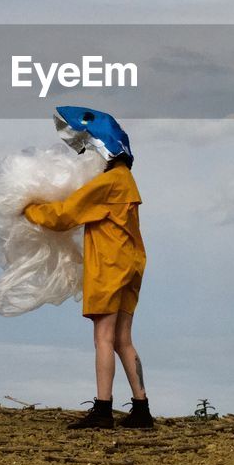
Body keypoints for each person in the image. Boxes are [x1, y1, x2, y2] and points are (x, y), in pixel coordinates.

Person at [22, 106, 154, 429]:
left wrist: (28, 209)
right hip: (132, 265)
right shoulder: (127, 180)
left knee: (103, 338)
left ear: (102, 148)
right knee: (123, 338)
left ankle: (103, 409)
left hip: (111, 266)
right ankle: (142, 409)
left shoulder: (108, 182)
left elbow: (64, 215)